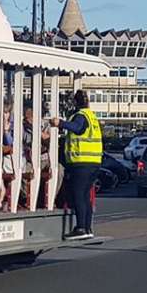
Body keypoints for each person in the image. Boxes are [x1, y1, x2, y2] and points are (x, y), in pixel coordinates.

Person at [51, 90, 102, 240]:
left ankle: (80, 228)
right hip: (93, 162)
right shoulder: (92, 116)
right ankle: (87, 227)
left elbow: (78, 128)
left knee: (78, 195)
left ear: (75, 103)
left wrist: (60, 123)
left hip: (82, 163)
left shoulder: (80, 116)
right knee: (85, 196)